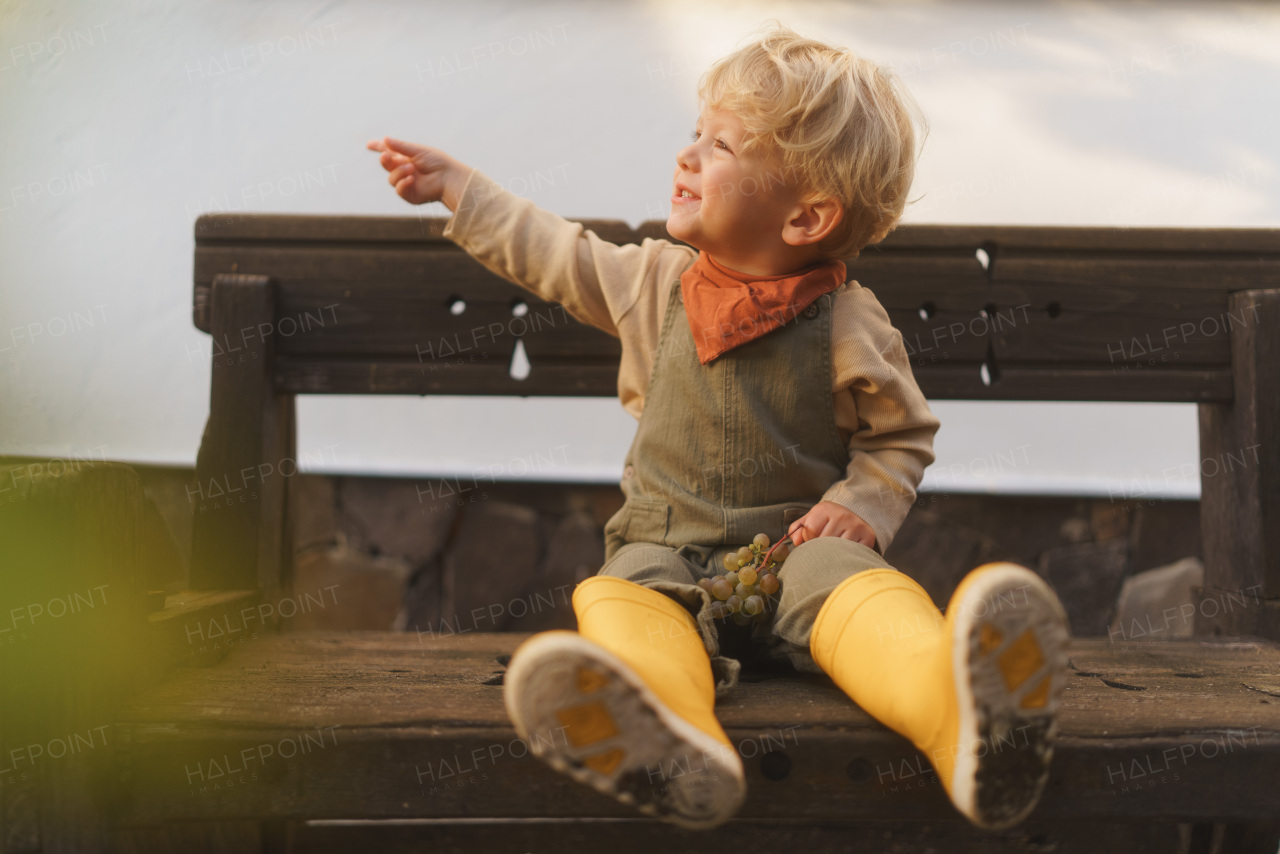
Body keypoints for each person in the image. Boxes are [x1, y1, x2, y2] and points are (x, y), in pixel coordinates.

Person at [368, 22, 1068, 832]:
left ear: (805, 217)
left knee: (868, 600)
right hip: (664, 546)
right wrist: (461, 188)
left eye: (721, 146)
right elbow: (553, 254)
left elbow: (899, 437)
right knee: (622, 598)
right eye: (694, 134)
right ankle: (673, 743)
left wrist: (865, 505)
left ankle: (964, 720)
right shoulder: (650, 284)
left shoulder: (849, 323)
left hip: (795, 551)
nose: (687, 155)